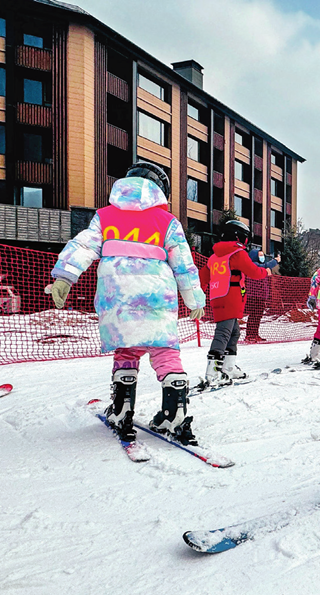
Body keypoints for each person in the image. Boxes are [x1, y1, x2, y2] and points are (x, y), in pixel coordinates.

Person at [49, 161, 206, 448]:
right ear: (161, 190)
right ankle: (174, 414)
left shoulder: (105, 216)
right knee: (165, 351)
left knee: (127, 349)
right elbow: (183, 262)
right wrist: (193, 296)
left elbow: (83, 245)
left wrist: (65, 276)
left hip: (117, 296)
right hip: (157, 296)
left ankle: (122, 410)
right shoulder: (167, 221)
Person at [198, 220, 270, 385]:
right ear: (239, 237)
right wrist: (265, 271)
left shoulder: (214, 257)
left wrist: (198, 296)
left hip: (217, 297)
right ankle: (213, 372)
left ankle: (228, 367)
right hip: (230, 297)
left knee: (234, 331)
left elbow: (202, 277)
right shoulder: (237, 253)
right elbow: (253, 271)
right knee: (224, 332)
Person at [243, 246, 279, 343]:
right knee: (254, 315)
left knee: (258, 316)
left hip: (261, 295)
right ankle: (250, 335)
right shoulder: (253, 265)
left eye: (262, 255)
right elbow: (265, 265)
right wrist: (275, 261)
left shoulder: (262, 267)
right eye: (260, 255)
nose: (262, 257)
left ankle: (255, 334)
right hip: (254, 296)